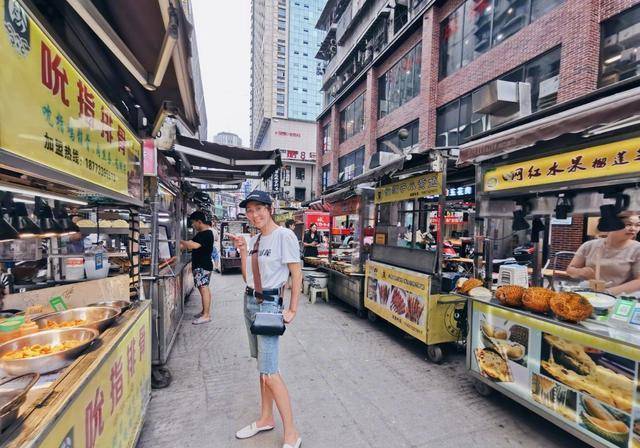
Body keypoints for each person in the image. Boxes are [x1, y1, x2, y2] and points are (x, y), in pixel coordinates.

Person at [229, 190, 302, 448]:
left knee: (270, 372)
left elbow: (296, 273)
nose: (254, 214)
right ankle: (265, 418)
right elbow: (247, 277)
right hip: (249, 301)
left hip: (270, 305)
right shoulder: (255, 240)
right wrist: (242, 252)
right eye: (249, 210)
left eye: (259, 208)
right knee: (262, 368)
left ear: (270, 209)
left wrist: (292, 309)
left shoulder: (284, 236)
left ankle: (292, 433)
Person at [567, 212, 640, 295]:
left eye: (637, 225)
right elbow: (570, 270)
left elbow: (638, 282)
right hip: (589, 293)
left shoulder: (637, 249)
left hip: (621, 297)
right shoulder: (589, 245)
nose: (633, 229)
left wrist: (607, 293)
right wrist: (580, 272)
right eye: (628, 224)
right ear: (611, 225)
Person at [180, 211, 214, 324]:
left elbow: (193, 245)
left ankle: (206, 315)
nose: (192, 225)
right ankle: (204, 311)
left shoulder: (207, 234)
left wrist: (178, 240)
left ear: (199, 222)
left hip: (203, 266)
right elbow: (190, 243)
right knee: (203, 289)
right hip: (201, 266)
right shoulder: (200, 234)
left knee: (204, 289)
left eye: (193, 223)